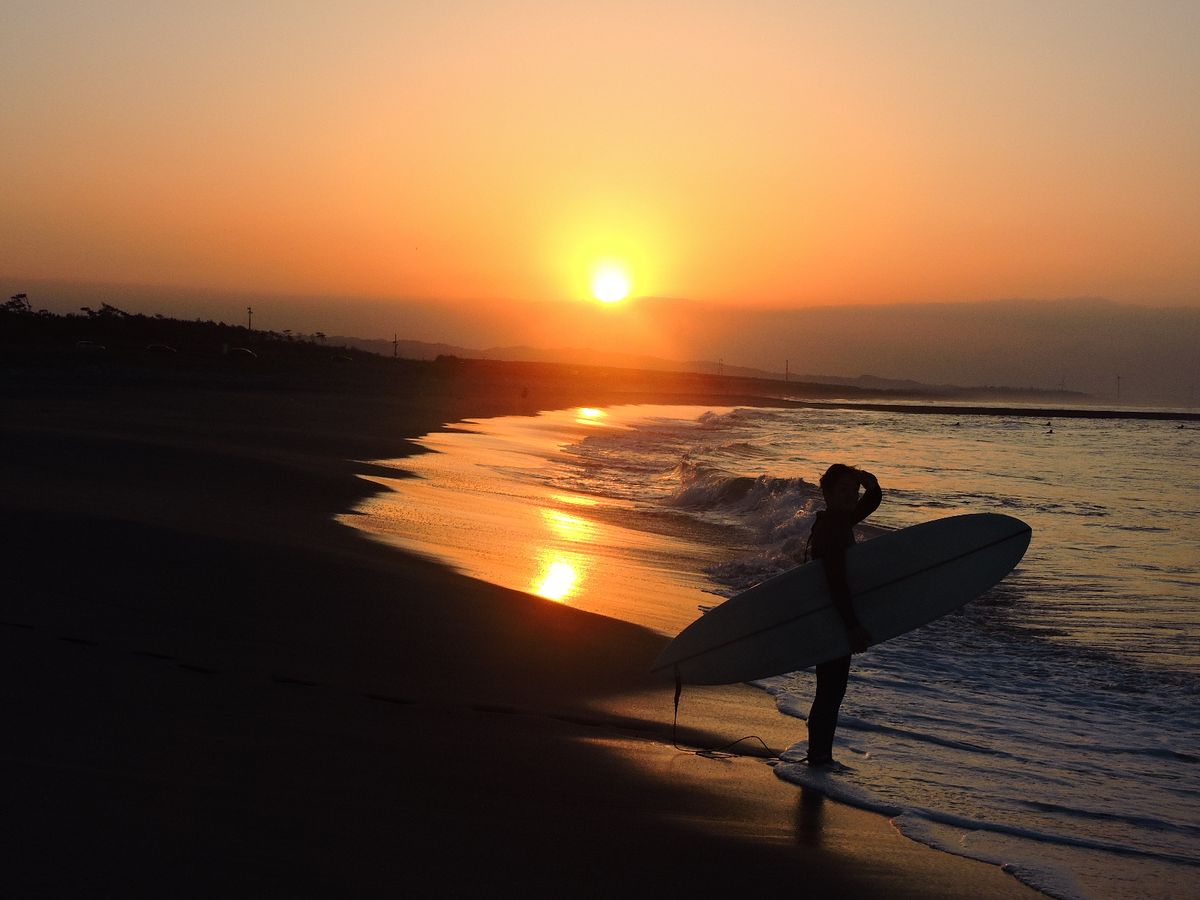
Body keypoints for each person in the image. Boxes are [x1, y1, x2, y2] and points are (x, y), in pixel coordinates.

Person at [801, 464, 881, 766]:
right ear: (828, 493)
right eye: (844, 490)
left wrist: (867, 482)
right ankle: (819, 756)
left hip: (830, 616)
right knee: (830, 691)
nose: (852, 496)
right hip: (834, 618)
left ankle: (820, 754)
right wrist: (852, 626)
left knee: (830, 690)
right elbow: (836, 581)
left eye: (854, 491)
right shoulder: (834, 527)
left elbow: (872, 500)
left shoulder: (836, 520)